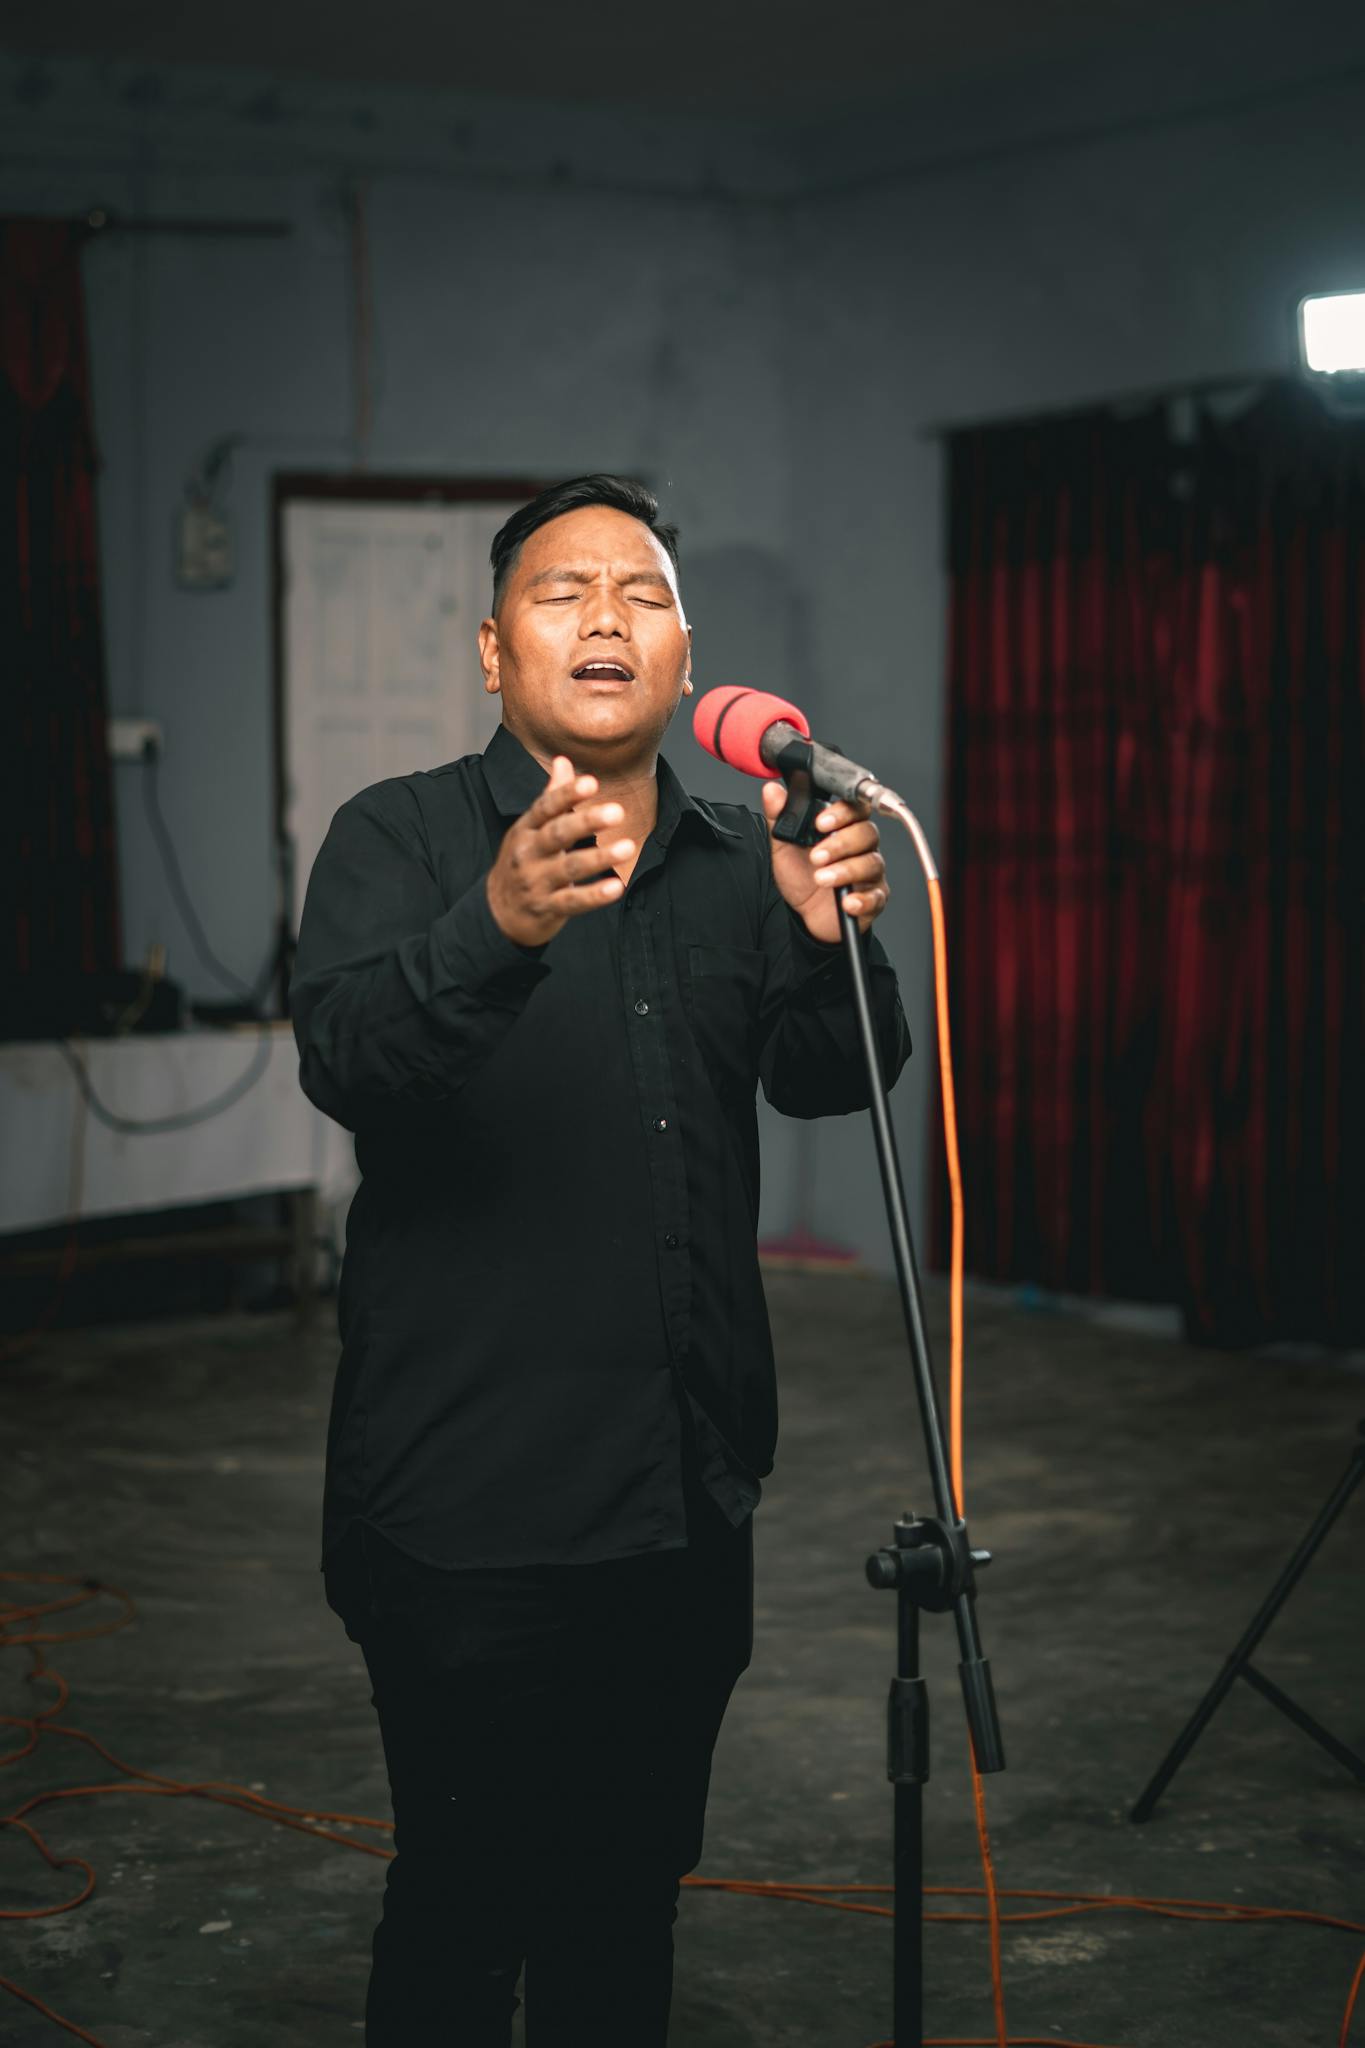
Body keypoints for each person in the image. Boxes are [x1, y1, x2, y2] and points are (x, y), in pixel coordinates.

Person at [289, 474, 910, 2045]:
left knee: (623, 1907)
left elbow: (840, 1077)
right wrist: (492, 926)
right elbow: (348, 1058)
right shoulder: (399, 838)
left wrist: (836, 935)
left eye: (639, 594)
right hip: (462, 1517)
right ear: (493, 652)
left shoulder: (736, 859)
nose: (606, 618)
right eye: (564, 593)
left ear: (688, 662)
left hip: (678, 1511)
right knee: (460, 1905)